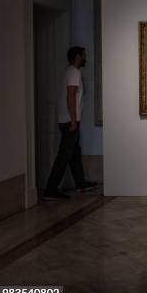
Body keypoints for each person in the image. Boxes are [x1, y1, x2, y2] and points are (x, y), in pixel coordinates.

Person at [42, 47, 98, 201]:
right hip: (69, 121)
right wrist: (73, 120)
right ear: (78, 56)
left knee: (74, 153)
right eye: (84, 55)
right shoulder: (74, 72)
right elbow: (71, 96)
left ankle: (80, 183)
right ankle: (50, 189)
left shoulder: (69, 71)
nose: (85, 58)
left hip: (67, 120)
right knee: (64, 155)